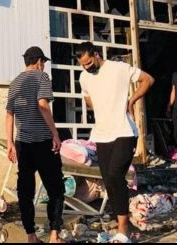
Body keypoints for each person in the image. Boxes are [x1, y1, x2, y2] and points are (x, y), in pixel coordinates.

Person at [75, 42, 154, 243]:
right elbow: (88, 99)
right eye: (83, 65)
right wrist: (101, 104)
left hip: (124, 132)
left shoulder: (118, 68)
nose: (87, 68)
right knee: (108, 180)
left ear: (96, 54)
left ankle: (123, 228)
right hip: (102, 134)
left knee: (115, 175)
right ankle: (119, 218)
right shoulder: (84, 77)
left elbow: (147, 79)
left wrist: (132, 100)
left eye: (89, 63)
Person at [5, 47, 65, 244]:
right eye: (43, 62)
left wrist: (10, 143)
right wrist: (55, 133)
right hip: (42, 143)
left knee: (25, 191)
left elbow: (9, 115)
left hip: (22, 144)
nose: (44, 66)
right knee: (55, 188)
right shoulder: (41, 77)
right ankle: (54, 235)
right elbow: (43, 105)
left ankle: (31, 236)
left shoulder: (14, 83)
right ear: (39, 61)